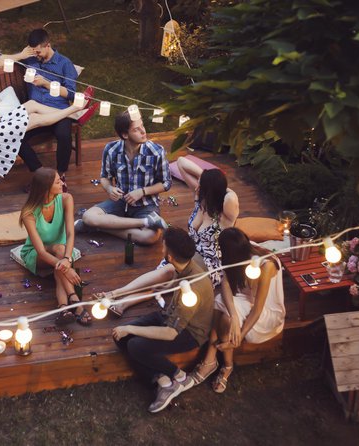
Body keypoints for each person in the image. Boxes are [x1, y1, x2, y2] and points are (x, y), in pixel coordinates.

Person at [105, 156, 239, 317]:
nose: (196, 188)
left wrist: (217, 184)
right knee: (165, 279)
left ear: (211, 191)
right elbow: (181, 162)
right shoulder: (201, 200)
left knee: (169, 272)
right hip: (188, 252)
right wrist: (205, 177)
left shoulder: (225, 214)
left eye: (201, 186)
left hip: (209, 265)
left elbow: (231, 196)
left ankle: (115, 293)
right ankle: (122, 304)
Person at [110, 227, 214, 413]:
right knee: (120, 336)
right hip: (170, 315)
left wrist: (131, 329)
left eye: (163, 247)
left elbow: (170, 333)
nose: (161, 249)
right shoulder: (188, 262)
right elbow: (169, 281)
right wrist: (117, 294)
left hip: (189, 333)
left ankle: (180, 376)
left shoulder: (191, 293)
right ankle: (163, 380)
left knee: (135, 344)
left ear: (170, 256)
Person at [190, 227, 285, 393]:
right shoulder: (238, 254)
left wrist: (239, 336)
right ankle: (214, 361)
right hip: (243, 298)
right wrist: (234, 316)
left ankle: (223, 365)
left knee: (223, 315)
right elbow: (225, 284)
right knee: (221, 305)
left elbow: (258, 309)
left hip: (265, 311)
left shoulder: (265, 265)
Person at [0, 28, 80, 184]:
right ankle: (40, 172)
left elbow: (71, 94)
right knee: (15, 136)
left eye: (39, 52)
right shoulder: (31, 59)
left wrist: (46, 84)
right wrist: (22, 55)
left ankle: (61, 173)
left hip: (57, 111)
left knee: (64, 136)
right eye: (33, 52)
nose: (37, 55)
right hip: (36, 116)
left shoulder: (64, 63)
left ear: (47, 45)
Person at [77, 110, 171, 245]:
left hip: (146, 205)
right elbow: (105, 177)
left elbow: (166, 183)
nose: (143, 131)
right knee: (88, 216)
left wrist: (142, 191)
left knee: (151, 237)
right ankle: (145, 222)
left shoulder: (157, 151)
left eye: (142, 126)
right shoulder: (111, 149)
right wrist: (109, 188)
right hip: (120, 202)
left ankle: (98, 226)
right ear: (125, 134)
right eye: (136, 129)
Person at [19, 168, 91, 326]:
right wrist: (67, 267)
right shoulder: (28, 212)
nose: (62, 184)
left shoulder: (66, 199)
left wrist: (66, 259)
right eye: (58, 182)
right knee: (59, 255)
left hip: (61, 251)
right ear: (45, 187)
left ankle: (63, 307)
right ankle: (75, 300)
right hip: (37, 254)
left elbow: (71, 233)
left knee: (60, 251)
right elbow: (41, 252)